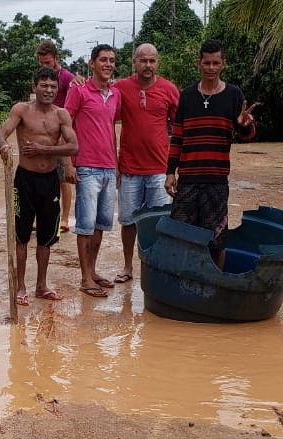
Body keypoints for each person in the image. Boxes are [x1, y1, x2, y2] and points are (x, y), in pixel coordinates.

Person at [165, 39, 258, 270]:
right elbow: (177, 137)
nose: (211, 67)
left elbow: (247, 134)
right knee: (181, 236)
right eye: (206, 62)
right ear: (199, 63)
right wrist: (170, 172)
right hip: (187, 180)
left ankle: (214, 283)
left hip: (216, 180)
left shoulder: (234, 95)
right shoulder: (186, 96)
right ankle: (183, 280)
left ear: (223, 64)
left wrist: (244, 125)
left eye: (216, 63)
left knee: (217, 239)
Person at [0, 67, 80, 305]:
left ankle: (41, 285)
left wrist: (45, 150)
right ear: (34, 87)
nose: (49, 90)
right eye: (44, 85)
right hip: (25, 180)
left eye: (53, 86)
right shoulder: (21, 110)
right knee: (21, 235)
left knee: (46, 236)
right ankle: (21, 286)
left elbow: (74, 147)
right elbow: (1, 133)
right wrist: (3, 146)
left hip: (50, 181)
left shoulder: (62, 115)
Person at [112, 42, 180, 284]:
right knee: (129, 222)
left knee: (158, 223)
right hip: (129, 170)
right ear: (135, 62)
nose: (148, 65)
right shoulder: (120, 88)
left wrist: (173, 169)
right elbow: (102, 107)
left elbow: (180, 127)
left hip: (159, 171)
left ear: (157, 63)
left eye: (152, 61)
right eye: (143, 60)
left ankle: (155, 268)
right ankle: (128, 266)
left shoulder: (169, 90)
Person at [64, 44, 121, 298]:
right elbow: (65, 126)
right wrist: (68, 162)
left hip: (108, 168)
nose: (108, 64)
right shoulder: (78, 91)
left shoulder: (114, 94)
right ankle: (85, 277)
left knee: (100, 224)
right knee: (85, 225)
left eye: (111, 60)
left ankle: (93, 271)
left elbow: (111, 131)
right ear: (92, 63)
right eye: (103, 60)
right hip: (86, 167)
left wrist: (117, 166)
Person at [37, 40, 78, 234]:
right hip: (44, 132)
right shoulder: (41, 77)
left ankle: (64, 218)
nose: (44, 66)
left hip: (62, 132)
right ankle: (42, 216)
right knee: (41, 176)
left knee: (63, 178)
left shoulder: (68, 77)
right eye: (41, 63)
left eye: (47, 62)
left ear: (56, 59)